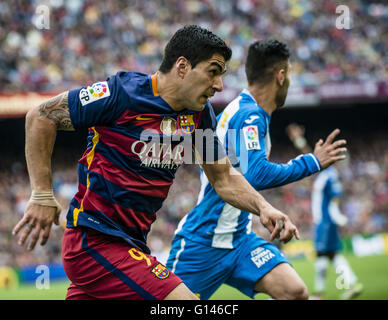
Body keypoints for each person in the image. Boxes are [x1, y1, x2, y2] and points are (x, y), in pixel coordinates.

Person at [12, 26, 299, 300]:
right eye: (213, 72)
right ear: (182, 66)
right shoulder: (121, 93)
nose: (219, 85)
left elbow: (223, 177)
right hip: (95, 240)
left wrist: (264, 207)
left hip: (132, 244)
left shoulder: (199, 116)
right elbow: (41, 116)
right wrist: (41, 193)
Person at [166, 39, 348, 300]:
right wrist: (313, 162)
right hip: (204, 241)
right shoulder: (249, 115)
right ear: (280, 76)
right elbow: (256, 173)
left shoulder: (246, 110)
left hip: (240, 240)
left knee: (294, 292)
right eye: (289, 74)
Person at [286, 123, 363, 300]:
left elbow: (335, 197)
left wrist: (336, 216)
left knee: (323, 254)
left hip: (325, 222)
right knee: (329, 255)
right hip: (325, 221)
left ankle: (320, 294)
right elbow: (310, 158)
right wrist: (298, 140)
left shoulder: (329, 176)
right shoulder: (324, 174)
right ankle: (350, 284)